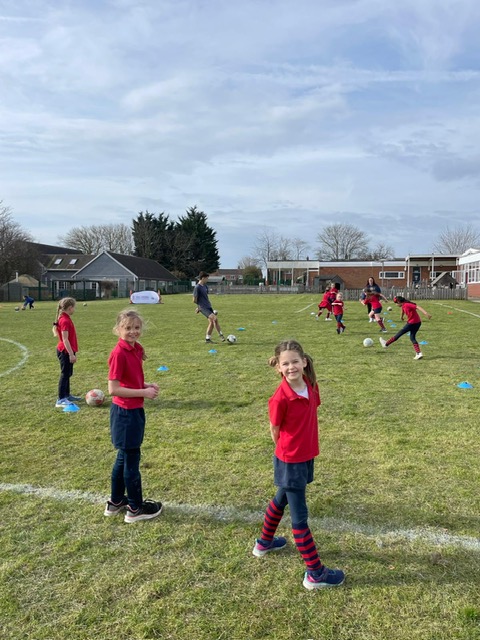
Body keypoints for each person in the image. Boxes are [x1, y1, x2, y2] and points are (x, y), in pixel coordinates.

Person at [252, 339, 345, 590]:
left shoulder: (311, 385)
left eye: (295, 361)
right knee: (299, 517)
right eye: (286, 364)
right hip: (290, 459)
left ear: (304, 362)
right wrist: (285, 450)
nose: (291, 366)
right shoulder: (280, 398)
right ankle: (315, 573)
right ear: (279, 369)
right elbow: (275, 429)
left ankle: (264, 543)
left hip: (305, 455)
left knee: (281, 497)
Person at [104, 309, 163, 523]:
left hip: (133, 410)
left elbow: (131, 379)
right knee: (131, 460)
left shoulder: (135, 349)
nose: (133, 331)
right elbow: (113, 389)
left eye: (136, 327)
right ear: (118, 329)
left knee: (123, 456)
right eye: (127, 328)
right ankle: (136, 508)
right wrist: (143, 392)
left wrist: (145, 385)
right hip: (125, 414)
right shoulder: (118, 353)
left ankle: (116, 501)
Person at [52, 297, 82, 408]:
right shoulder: (64, 320)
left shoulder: (65, 318)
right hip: (65, 351)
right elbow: (65, 339)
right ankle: (61, 399)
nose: (74, 310)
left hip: (68, 350)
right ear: (70, 308)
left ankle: (67, 395)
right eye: (74, 307)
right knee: (65, 374)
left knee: (68, 373)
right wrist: (71, 354)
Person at [193, 272, 225, 343]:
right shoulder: (197, 287)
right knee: (215, 318)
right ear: (203, 278)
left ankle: (208, 339)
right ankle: (221, 335)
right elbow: (194, 300)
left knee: (211, 322)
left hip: (208, 306)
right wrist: (199, 307)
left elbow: (205, 298)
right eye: (207, 278)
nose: (207, 279)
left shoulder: (205, 286)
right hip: (203, 307)